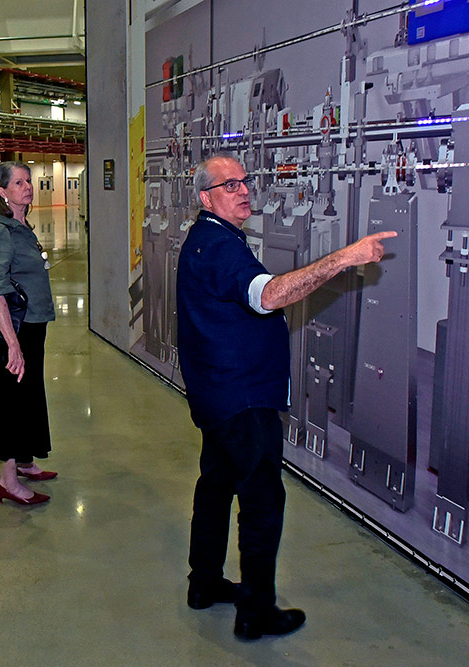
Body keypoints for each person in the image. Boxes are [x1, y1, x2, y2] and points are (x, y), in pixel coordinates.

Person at [177, 155, 396, 640]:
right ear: (205, 197)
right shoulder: (220, 247)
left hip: (215, 395)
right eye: (228, 184)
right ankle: (255, 612)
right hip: (243, 399)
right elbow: (269, 295)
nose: (242, 190)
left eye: (244, 181)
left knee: (214, 485)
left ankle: (204, 583)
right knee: (261, 502)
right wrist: (344, 258)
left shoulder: (204, 240)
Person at [0, 161, 57, 505]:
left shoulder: (22, 227)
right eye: (19, 183)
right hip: (16, 331)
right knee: (13, 401)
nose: (28, 187)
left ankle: (25, 460)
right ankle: (8, 481)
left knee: (28, 397)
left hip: (32, 326)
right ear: (2, 192)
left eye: (29, 181)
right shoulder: (1, 232)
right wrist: (12, 344)